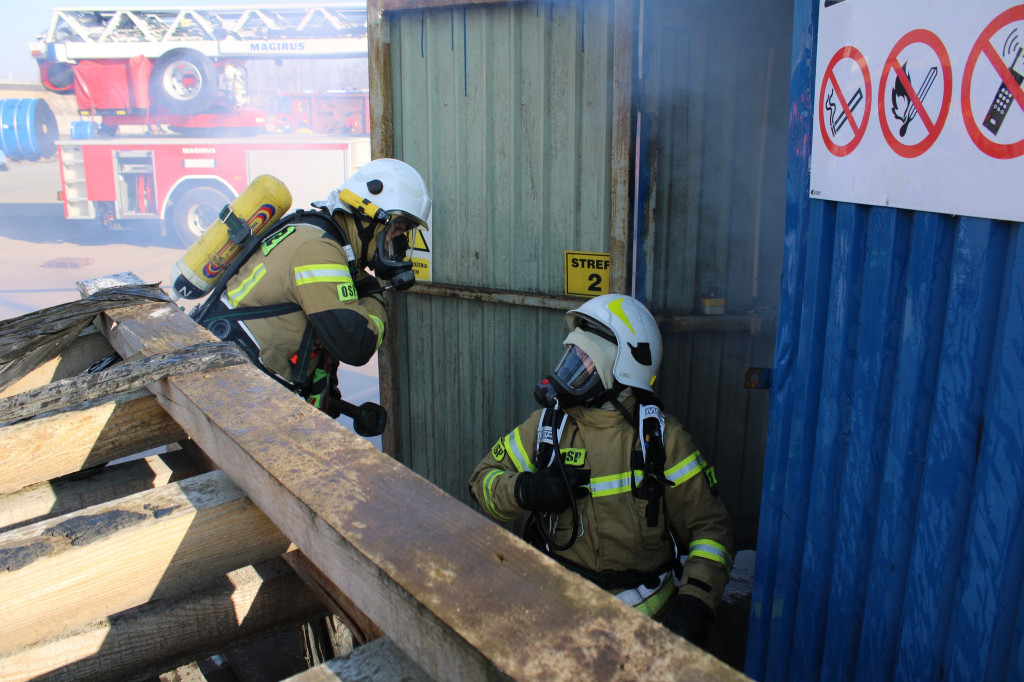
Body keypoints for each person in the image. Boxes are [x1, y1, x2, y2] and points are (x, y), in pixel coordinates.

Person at [468, 294, 734, 647]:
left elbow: (711, 530)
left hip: (646, 626)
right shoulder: (547, 427)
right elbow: (482, 480)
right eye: (571, 357)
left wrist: (695, 605)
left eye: (585, 362)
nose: (569, 371)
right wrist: (528, 489)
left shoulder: (663, 440)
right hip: (561, 614)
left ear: (622, 372)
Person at [193, 158, 431, 423]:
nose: (397, 241)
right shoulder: (318, 250)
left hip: (241, 379)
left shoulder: (327, 241)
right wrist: (376, 294)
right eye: (395, 229)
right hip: (229, 389)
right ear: (366, 217)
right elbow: (355, 344)